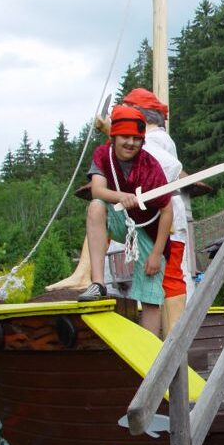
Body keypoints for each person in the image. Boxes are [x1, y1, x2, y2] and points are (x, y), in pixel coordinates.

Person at [77, 105, 173, 338]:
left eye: (136, 138)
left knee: (151, 294)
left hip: (149, 228)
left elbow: (167, 210)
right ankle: (98, 283)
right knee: (96, 207)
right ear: (114, 136)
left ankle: (149, 353)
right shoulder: (103, 155)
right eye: (125, 137)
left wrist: (156, 253)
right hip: (120, 220)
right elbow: (98, 190)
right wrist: (122, 196)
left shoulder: (150, 166)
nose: (130, 143)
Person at [122, 88, 193, 337]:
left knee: (171, 275)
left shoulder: (153, 139)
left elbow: (171, 167)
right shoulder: (159, 138)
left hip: (165, 213)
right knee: (167, 277)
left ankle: (173, 339)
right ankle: (171, 339)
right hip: (163, 214)